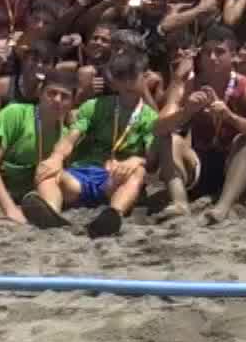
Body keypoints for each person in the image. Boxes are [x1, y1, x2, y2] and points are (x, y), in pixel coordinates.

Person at [29, 47, 158, 237]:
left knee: (138, 171)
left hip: (114, 180)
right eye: (121, 76)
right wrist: (56, 157)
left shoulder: (151, 117)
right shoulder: (94, 106)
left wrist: (136, 160)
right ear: (113, 80)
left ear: (144, 77)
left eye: (132, 75)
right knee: (48, 169)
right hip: (81, 175)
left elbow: (152, 158)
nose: (127, 82)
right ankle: (51, 213)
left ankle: (114, 214)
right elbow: (71, 138)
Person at [153, 26, 246, 223]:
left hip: (234, 167)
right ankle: (179, 203)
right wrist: (186, 111)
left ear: (233, 56)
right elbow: (158, 128)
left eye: (220, 52)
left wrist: (231, 117)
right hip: (200, 163)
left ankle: (223, 207)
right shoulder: (188, 86)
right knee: (170, 138)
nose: (212, 57)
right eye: (207, 52)